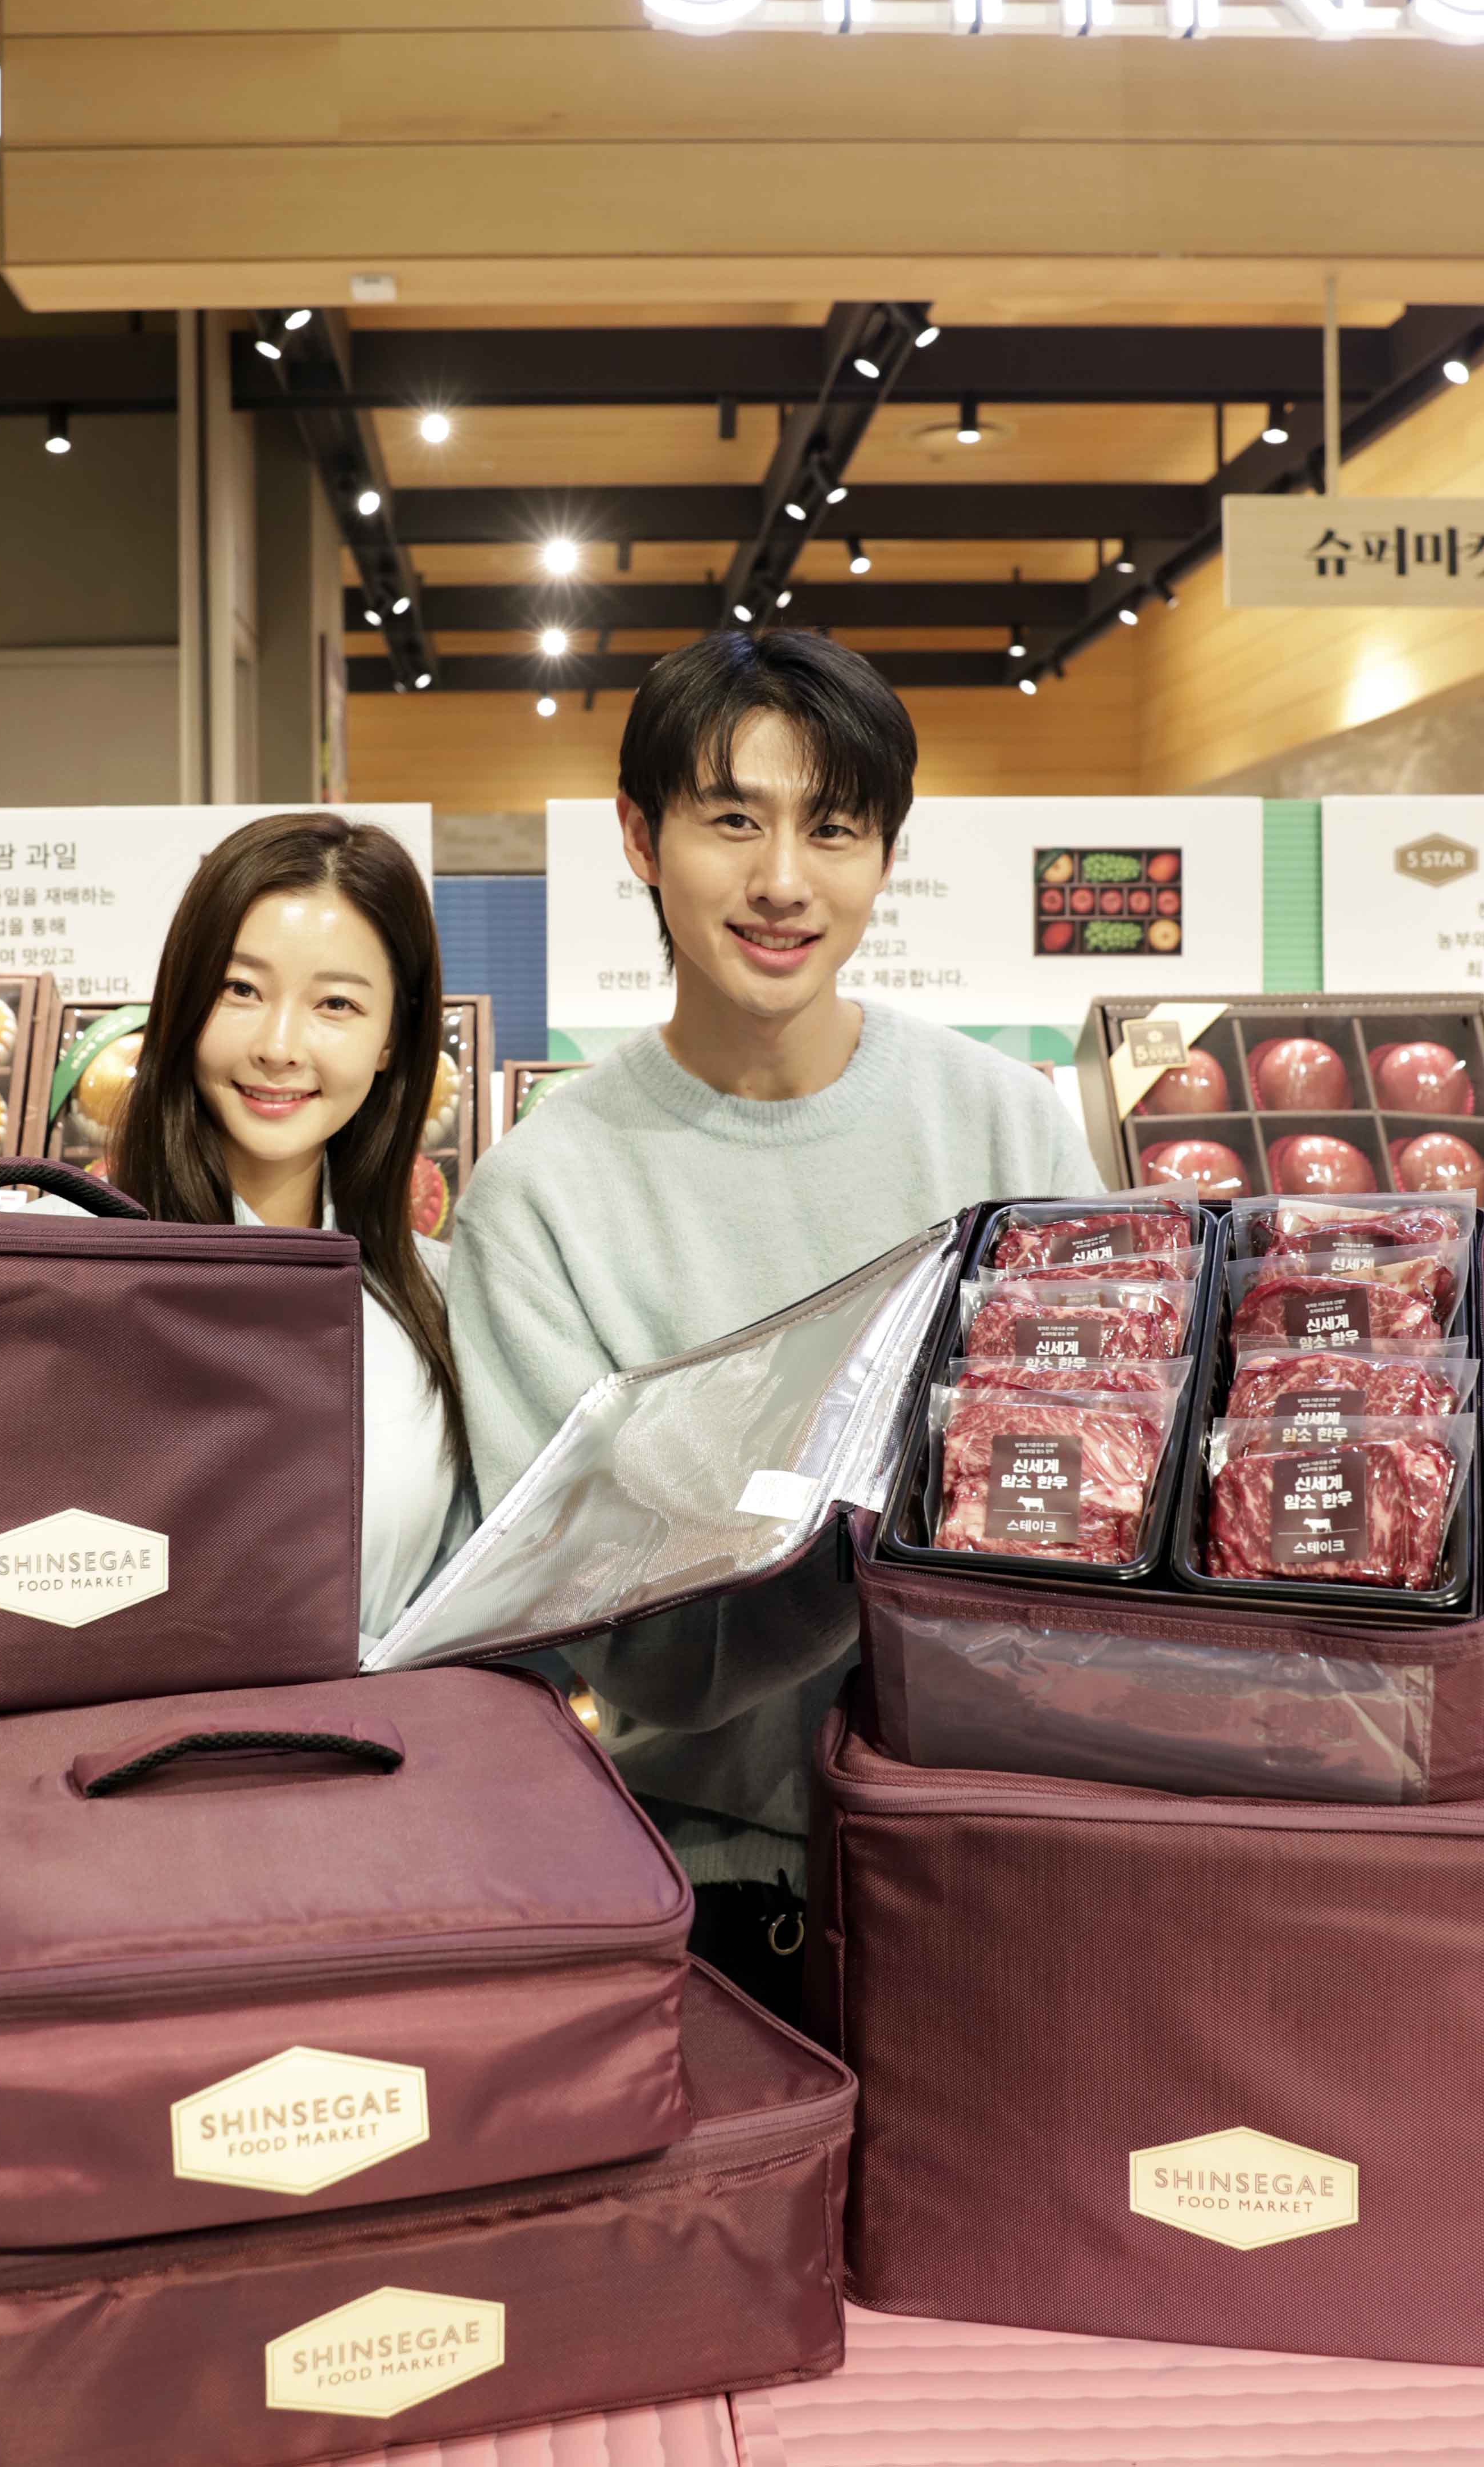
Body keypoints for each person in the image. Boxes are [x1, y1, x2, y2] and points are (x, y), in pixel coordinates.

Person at [448, 628, 1107, 2021]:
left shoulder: (1008, 1125)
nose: (783, 881)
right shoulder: (539, 1200)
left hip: (1004, 1844)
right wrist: (885, 1504)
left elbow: (1095, 1503)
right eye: (732, 820)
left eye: (834, 828)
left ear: (885, 854)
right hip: (708, 1894)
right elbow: (628, 1643)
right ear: (640, 836)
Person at [110, 811, 469, 1644]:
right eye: (240, 990)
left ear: (392, 1039)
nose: (279, 1046)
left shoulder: (444, 1300)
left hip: (387, 1724)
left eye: (336, 1003)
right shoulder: (61, 1270)